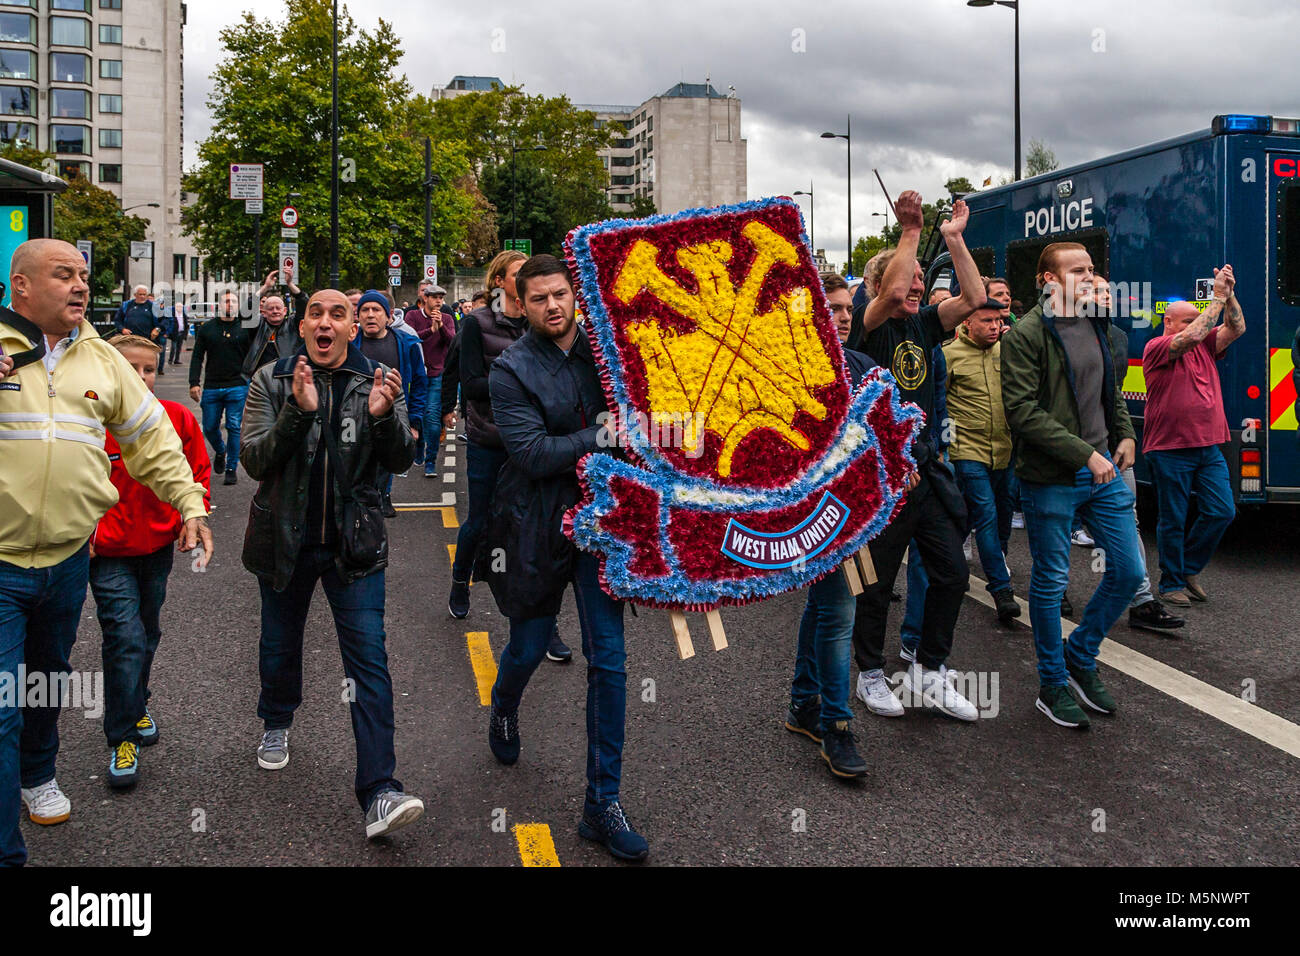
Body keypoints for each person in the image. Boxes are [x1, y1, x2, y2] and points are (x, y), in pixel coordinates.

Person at [0, 238, 211, 866]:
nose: (79, 286)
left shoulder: (101, 358)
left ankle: (39, 777)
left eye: (84, 276)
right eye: (63, 275)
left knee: (46, 682)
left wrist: (192, 504)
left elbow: (152, 440)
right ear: (21, 287)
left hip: (67, 561)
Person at [240, 288, 425, 840]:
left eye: (337, 315)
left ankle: (380, 790)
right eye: (315, 314)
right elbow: (254, 459)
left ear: (353, 328)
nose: (325, 323)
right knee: (279, 645)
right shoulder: (271, 380)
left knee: (369, 661)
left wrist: (385, 417)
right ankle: (277, 719)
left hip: (354, 547)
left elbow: (400, 459)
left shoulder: (378, 382)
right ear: (304, 326)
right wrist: (297, 413)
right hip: (284, 542)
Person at [482, 254, 647, 861]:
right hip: (538, 524)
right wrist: (610, 435)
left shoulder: (607, 351)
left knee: (609, 659)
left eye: (561, 295)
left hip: (605, 524)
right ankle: (503, 705)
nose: (554, 305)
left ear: (575, 295)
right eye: (540, 298)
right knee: (527, 647)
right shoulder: (510, 368)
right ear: (519, 304)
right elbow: (532, 453)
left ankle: (601, 803)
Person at [846, 191, 984, 722]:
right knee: (877, 584)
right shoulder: (868, 323)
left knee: (950, 573)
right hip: (882, 478)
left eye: (924, 285)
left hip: (926, 470)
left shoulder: (924, 325)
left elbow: (973, 298)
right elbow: (894, 288)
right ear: (877, 289)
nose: (918, 291)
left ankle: (930, 673)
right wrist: (908, 232)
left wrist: (952, 239)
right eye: (910, 283)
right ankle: (871, 675)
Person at [1001, 241, 1145, 730]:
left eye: (1091, 269)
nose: (1089, 277)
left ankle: (1081, 653)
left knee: (1128, 572)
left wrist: (1124, 436)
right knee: (1050, 582)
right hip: (1052, 477)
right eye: (1077, 270)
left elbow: (1109, 391)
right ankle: (1052, 682)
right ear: (1047, 280)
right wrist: (1084, 453)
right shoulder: (1026, 334)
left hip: (1104, 472)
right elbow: (1022, 412)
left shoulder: (1096, 322)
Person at [90, 333, 211, 788]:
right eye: (131, 368)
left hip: (157, 549)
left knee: (147, 631)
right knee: (124, 636)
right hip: (107, 554)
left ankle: (136, 704)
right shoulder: (91, 421)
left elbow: (198, 472)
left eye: (148, 369)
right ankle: (123, 736)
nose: (140, 377)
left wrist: (190, 517)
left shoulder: (176, 418)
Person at [785, 275, 875, 779]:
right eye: (831, 309)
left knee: (826, 606)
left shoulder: (864, 368)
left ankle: (803, 703)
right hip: (811, 517)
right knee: (840, 613)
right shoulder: (788, 372)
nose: (841, 318)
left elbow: (884, 434)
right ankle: (837, 727)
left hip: (853, 515)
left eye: (845, 309)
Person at [1141, 269, 1241, 607]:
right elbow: (1193, 336)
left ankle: (1186, 569)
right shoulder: (1157, 346)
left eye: (1197, 320)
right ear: (1168, 322)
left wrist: (1228, 293)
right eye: (1187, 321)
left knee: (1221, 511)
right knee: (1173, 518)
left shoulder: (1206, 346)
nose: (1196, 325)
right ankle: (1170, 583)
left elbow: (1236, 327)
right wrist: (1215, 299)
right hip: (1169, 448)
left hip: (1208, 445)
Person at [1091, 276, 1183, 635]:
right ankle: (1057, 595)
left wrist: (1126, 434)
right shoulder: (1055, 336)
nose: (1103, 297)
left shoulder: (1118, 337)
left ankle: (1142, 601)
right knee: (1060, 525)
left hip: (1109, 445)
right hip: (1068, 452)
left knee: (1127, 518)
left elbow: (1111, 393)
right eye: (1094, 290)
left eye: (1105, 291)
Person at [447, 255, 528, 612]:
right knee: (480, 522)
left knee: (531, 527)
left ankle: (540, 613)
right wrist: (520, 382)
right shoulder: (476, 323)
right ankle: (460, 582)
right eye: (518, 274)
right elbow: (472, 384)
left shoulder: (538, 322)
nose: (527, 279)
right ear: (499, 281)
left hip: (531, 441)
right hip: (489, 438)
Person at [942, 299, 1020, 621]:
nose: (994, 327)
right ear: (967, 322)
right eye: (986, 320)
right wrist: (945, 446)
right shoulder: (949, 355)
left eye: (997, 321)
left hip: (1005, 450)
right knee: (986, 515)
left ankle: (952, 565)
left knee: (1001, 517)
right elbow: (939, 402)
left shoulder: (1009, 352)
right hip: (968, 451)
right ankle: (1002, 589)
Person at [355, 290, 427, 516]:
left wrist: (414, 421)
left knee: (387, 456)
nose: (370, 315)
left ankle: (383, 495)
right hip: (357, 412)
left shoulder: (407, 343)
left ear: (388, 317)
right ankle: (363, 497)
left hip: (393, 412)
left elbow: (418, 383)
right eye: (364, 310)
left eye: (376, 310)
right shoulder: (348, 344)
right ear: (357, 316)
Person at [189, 289, 252, 486]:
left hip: (237, 384)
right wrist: (194, 383)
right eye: (226, 301)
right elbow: (197, 356)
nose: (229, 305)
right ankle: (220, 450)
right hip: (212, 385)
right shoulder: (207, 329)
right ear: (219, 305)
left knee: (234, 426)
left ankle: (232, 467)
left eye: (233, 302)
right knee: (209, 427)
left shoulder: (245, 328)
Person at [405, 279, 457, 474]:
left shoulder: (448, 318)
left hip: (437, 375)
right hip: (416, 375)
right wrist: (430, 331)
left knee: (433, 420)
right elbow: (410, 339)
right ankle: (419, 448)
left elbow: (453, 342)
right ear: (424, 298)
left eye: (441, 298)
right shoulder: (412, 316)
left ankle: (430, 460)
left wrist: (441, 326)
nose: (439, 301)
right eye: (435, 297)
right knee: (416, 417)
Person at [243, 271, 306, 378]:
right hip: (259, 377)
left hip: (288, 374)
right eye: (270, 308)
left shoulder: (293, 324)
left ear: (285, 311)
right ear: (263, 312)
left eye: (278, 308)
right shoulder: (257, 325)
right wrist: (265, 287)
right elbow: (246, 312)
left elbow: (304, 304)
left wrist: (290, 284)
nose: (275, 311)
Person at [167, 297, 188, 366]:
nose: (180, 308)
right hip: (175, 333)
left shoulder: (183, 314)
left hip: (181, 333)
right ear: (175, 307)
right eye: (178, 307)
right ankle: (170, 360)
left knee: (179, 347)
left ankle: (177, 360)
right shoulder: (173, 314)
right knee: (173, 347)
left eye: (181, 307)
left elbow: (185, 323)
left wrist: (185, 334)